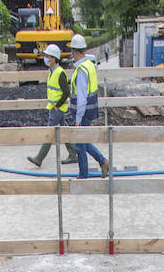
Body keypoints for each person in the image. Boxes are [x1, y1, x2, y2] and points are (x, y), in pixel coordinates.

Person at [27, 43, 77, 168]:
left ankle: (39, 158)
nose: (46, 58)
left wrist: (58, 105)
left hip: (57, 108)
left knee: (50, 132)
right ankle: (73, 154)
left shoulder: (59, 73)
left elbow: (66, 92)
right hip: (54, 107)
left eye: (48, 56)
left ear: (54, 58)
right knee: (63, 129)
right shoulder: (52, 71)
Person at [68, 34, 109, 179]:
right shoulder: (89, 65)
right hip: (90, 111)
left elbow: (81, 98)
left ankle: (83, 175)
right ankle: (102, 161)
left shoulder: (81, 70)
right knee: (83, 141)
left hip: (83, 112)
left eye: (72, 51)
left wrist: (78, 119)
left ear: (74, 51)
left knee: (79, 145)